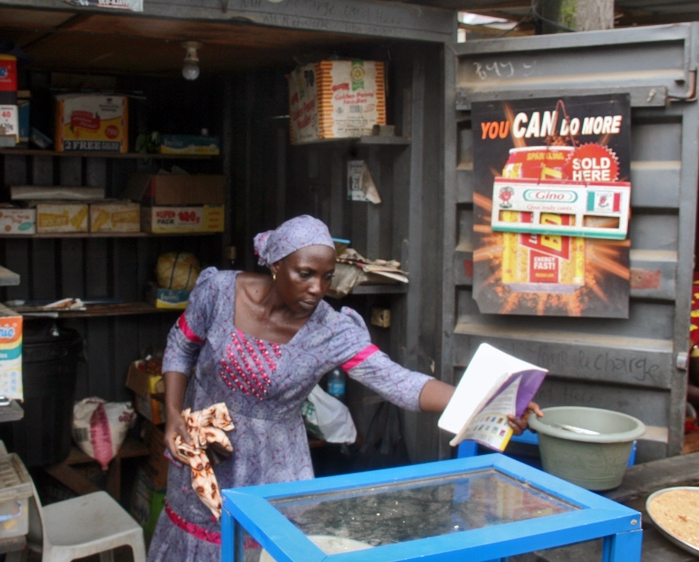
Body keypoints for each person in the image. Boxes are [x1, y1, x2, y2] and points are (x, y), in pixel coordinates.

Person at [147, 215, 541, 561]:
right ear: (275, 265)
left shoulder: (331, 330)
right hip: (206, 456)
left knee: (263, 549)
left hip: (273, 472)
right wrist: (172, 417)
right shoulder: (219, 292)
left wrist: (490, 400)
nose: (318, 288)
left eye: (327, 276)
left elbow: (399, 382)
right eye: (305, 274)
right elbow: (182, 346)